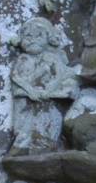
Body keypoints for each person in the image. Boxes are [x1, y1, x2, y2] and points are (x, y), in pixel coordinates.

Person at [9, 17, 78, 150]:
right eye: (28, 36)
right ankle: (22, 145)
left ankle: (46, 143)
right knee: (23, 124)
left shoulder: (51, 58)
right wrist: (30, 91)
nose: (32, 40)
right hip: (25, 97)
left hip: (47, 98)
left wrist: (48, 90)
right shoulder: (23, 58)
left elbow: (59, 75)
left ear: (49, 39)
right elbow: (16, 77)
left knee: (47, 119)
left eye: (38, 36)